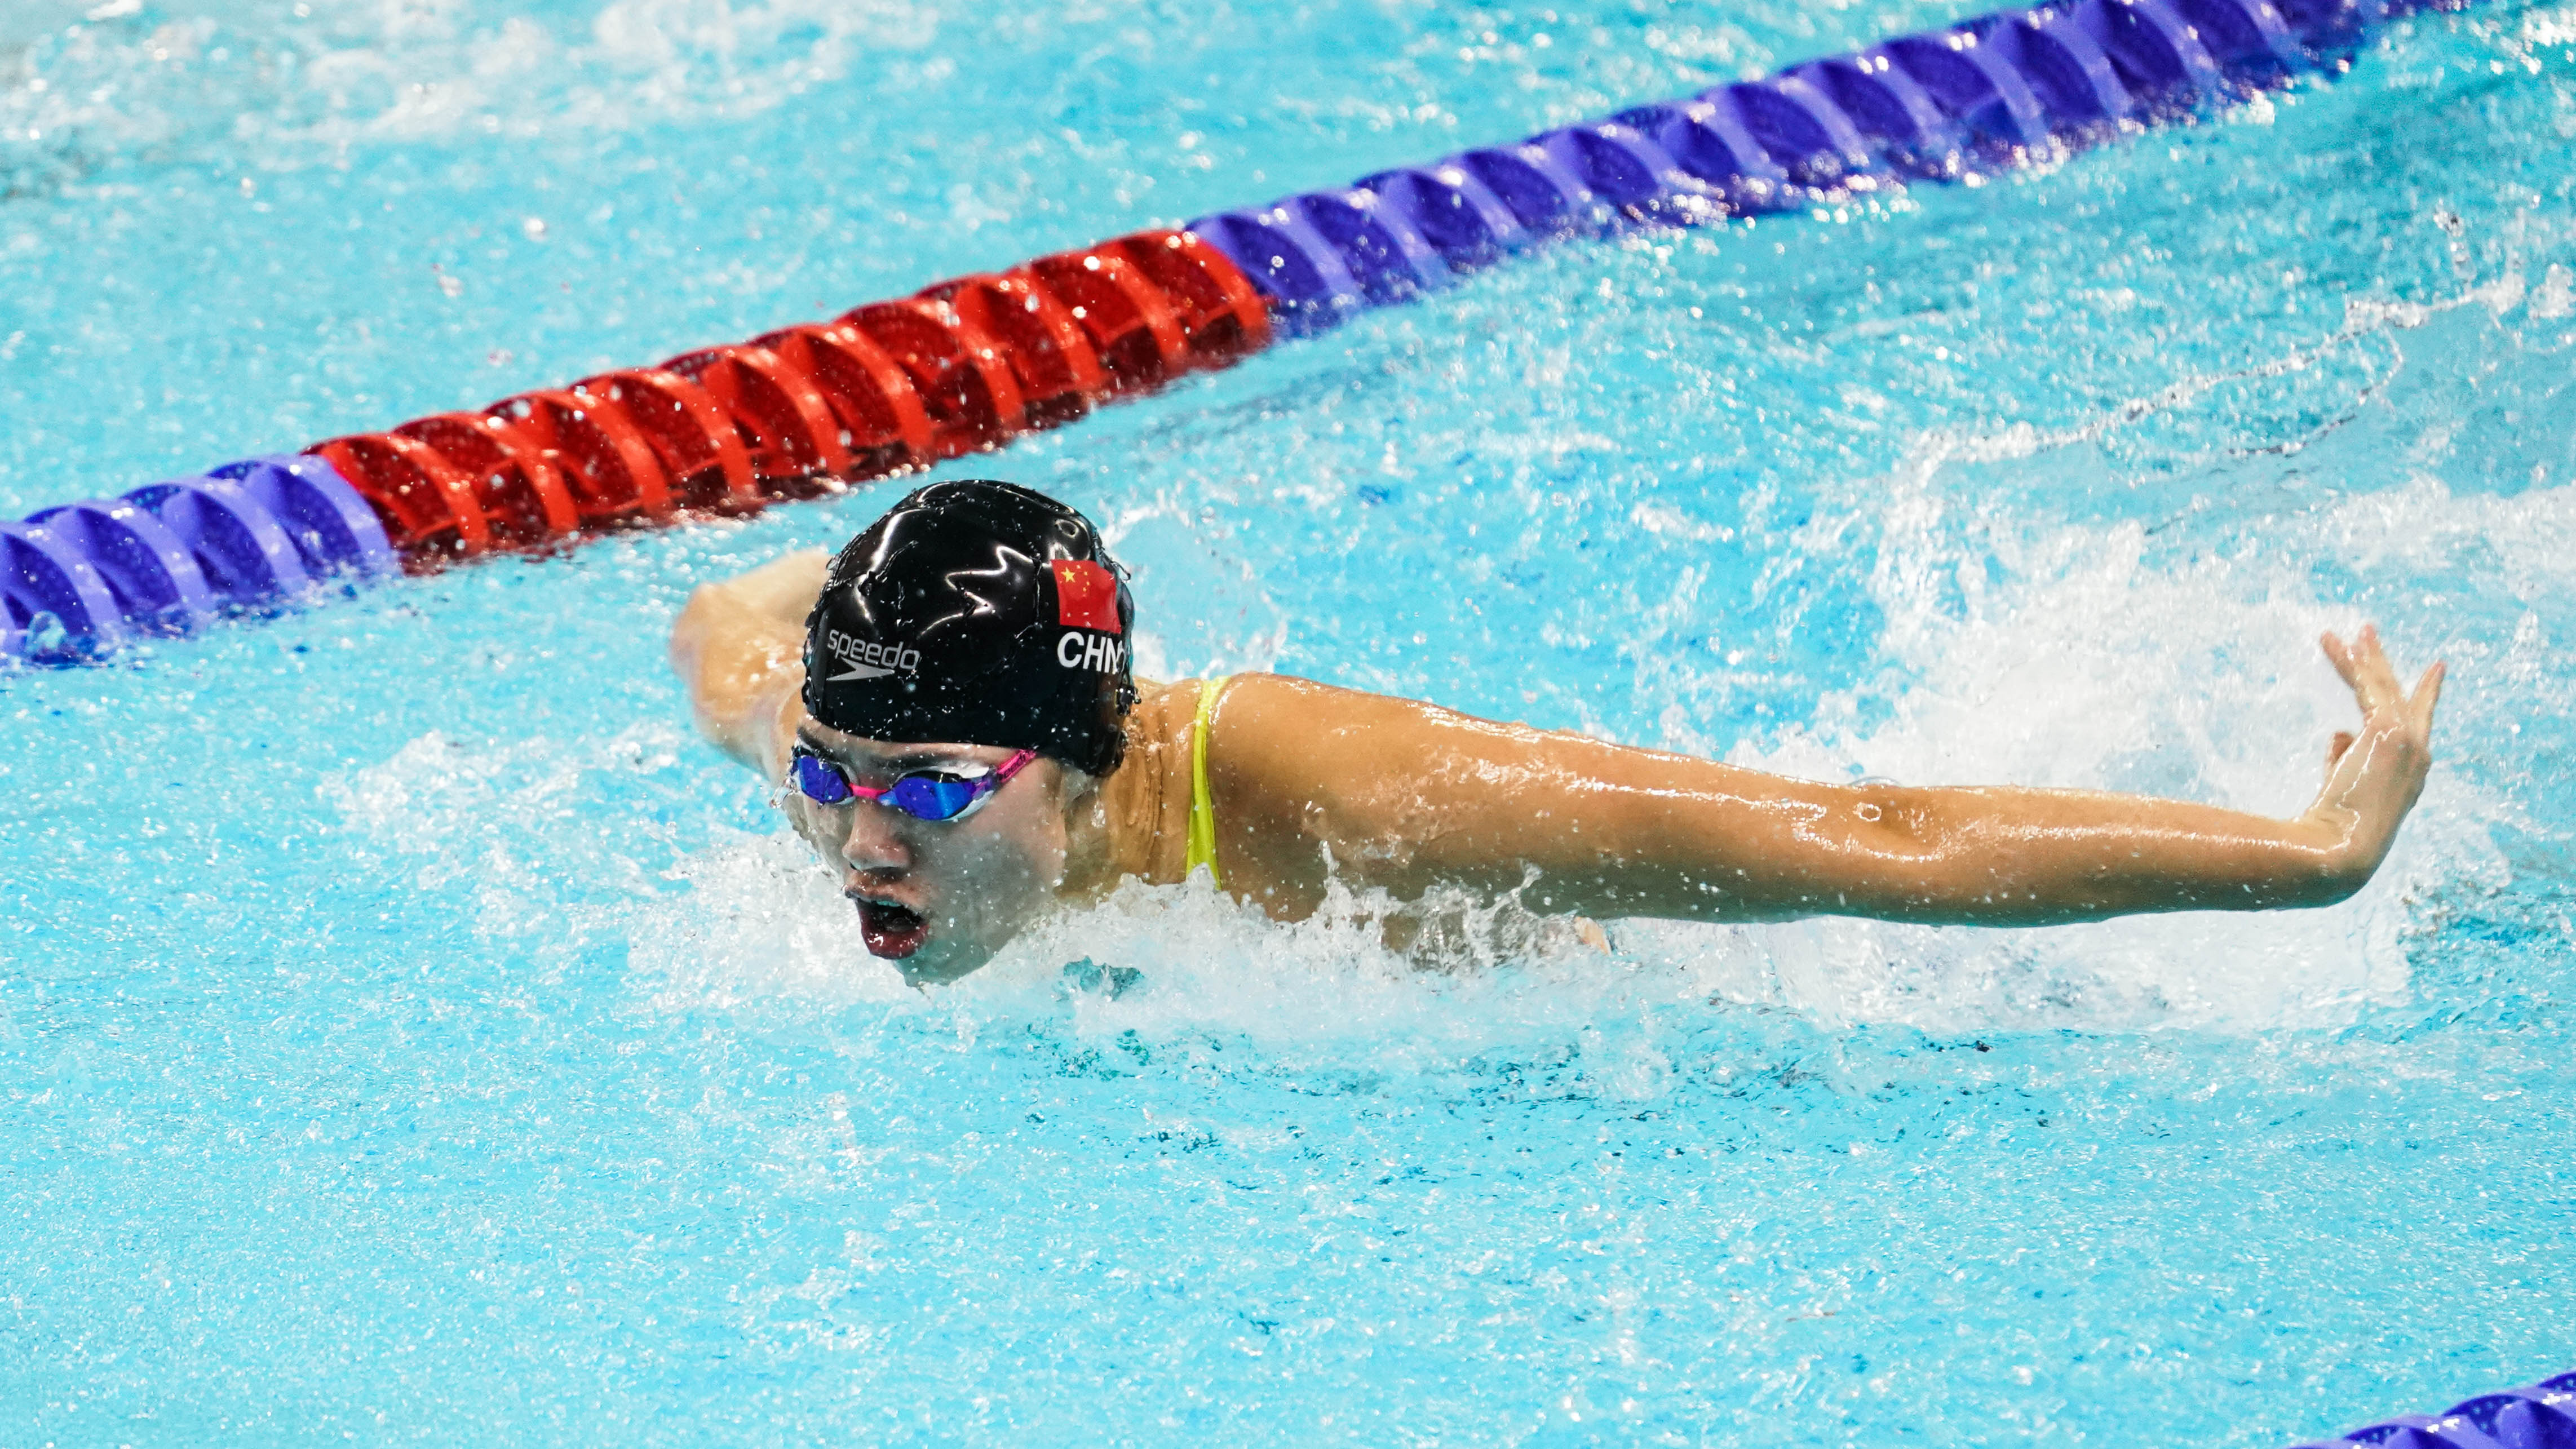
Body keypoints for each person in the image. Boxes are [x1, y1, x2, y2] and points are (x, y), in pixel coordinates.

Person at [669, 478, 2445, 986]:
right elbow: (717, 633)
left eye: (922, 790)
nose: (858, 841)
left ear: (1080, 755)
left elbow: (1876, 839)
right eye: (832, 777)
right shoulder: (845, 749)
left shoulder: (1341, 801)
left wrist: (2312, 858)